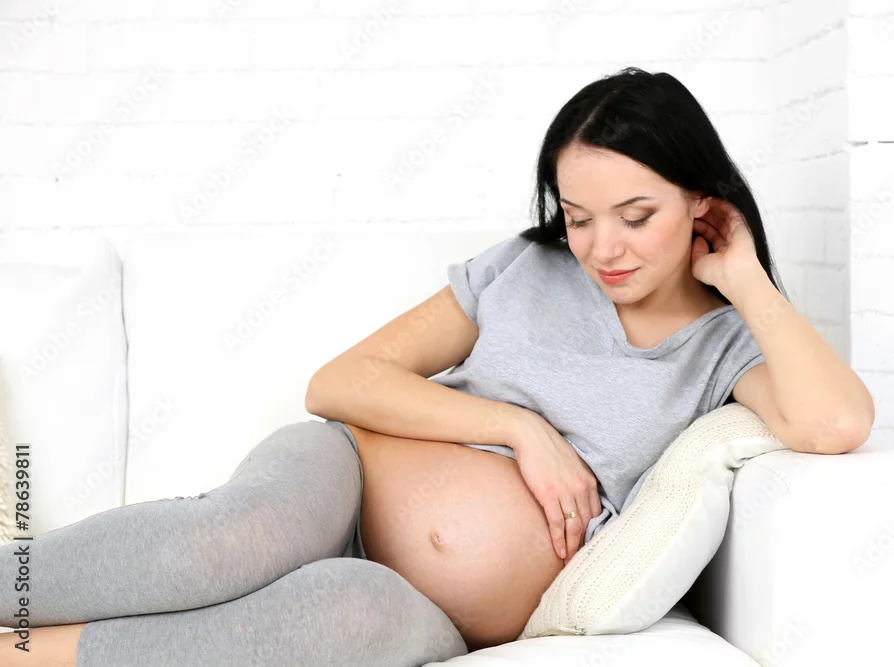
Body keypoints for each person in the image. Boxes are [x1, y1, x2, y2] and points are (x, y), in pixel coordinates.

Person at [0, 66, 788, 666]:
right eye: (578, 218)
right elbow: (338, 383)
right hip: (343, 472)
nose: (601, 248)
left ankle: (23, 655)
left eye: (636, 216)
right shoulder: (524, 268)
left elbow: (835, 420)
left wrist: (745, 274)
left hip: (440, 610)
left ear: (701, 199)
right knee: (228, 537)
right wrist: (522, 428)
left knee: (350, 614)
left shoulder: (724, 345)